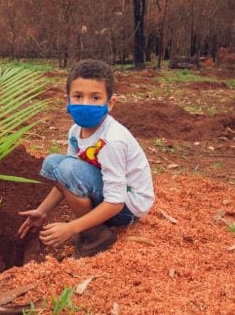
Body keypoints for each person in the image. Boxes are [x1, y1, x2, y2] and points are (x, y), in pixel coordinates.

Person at [18, 60, 155, 258]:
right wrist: (42, 211)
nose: (85, 104)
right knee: (54, 163)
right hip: (107, 195)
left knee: (68, 168)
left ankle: (95, 236)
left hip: (127, 208)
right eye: (78, 96)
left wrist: (71, 228)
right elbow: (65, 178)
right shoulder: (75, 131)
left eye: (95, 98)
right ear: (67, 101)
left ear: (110, 103)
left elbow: (115, 202)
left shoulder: (112, 140)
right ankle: (92, 229)